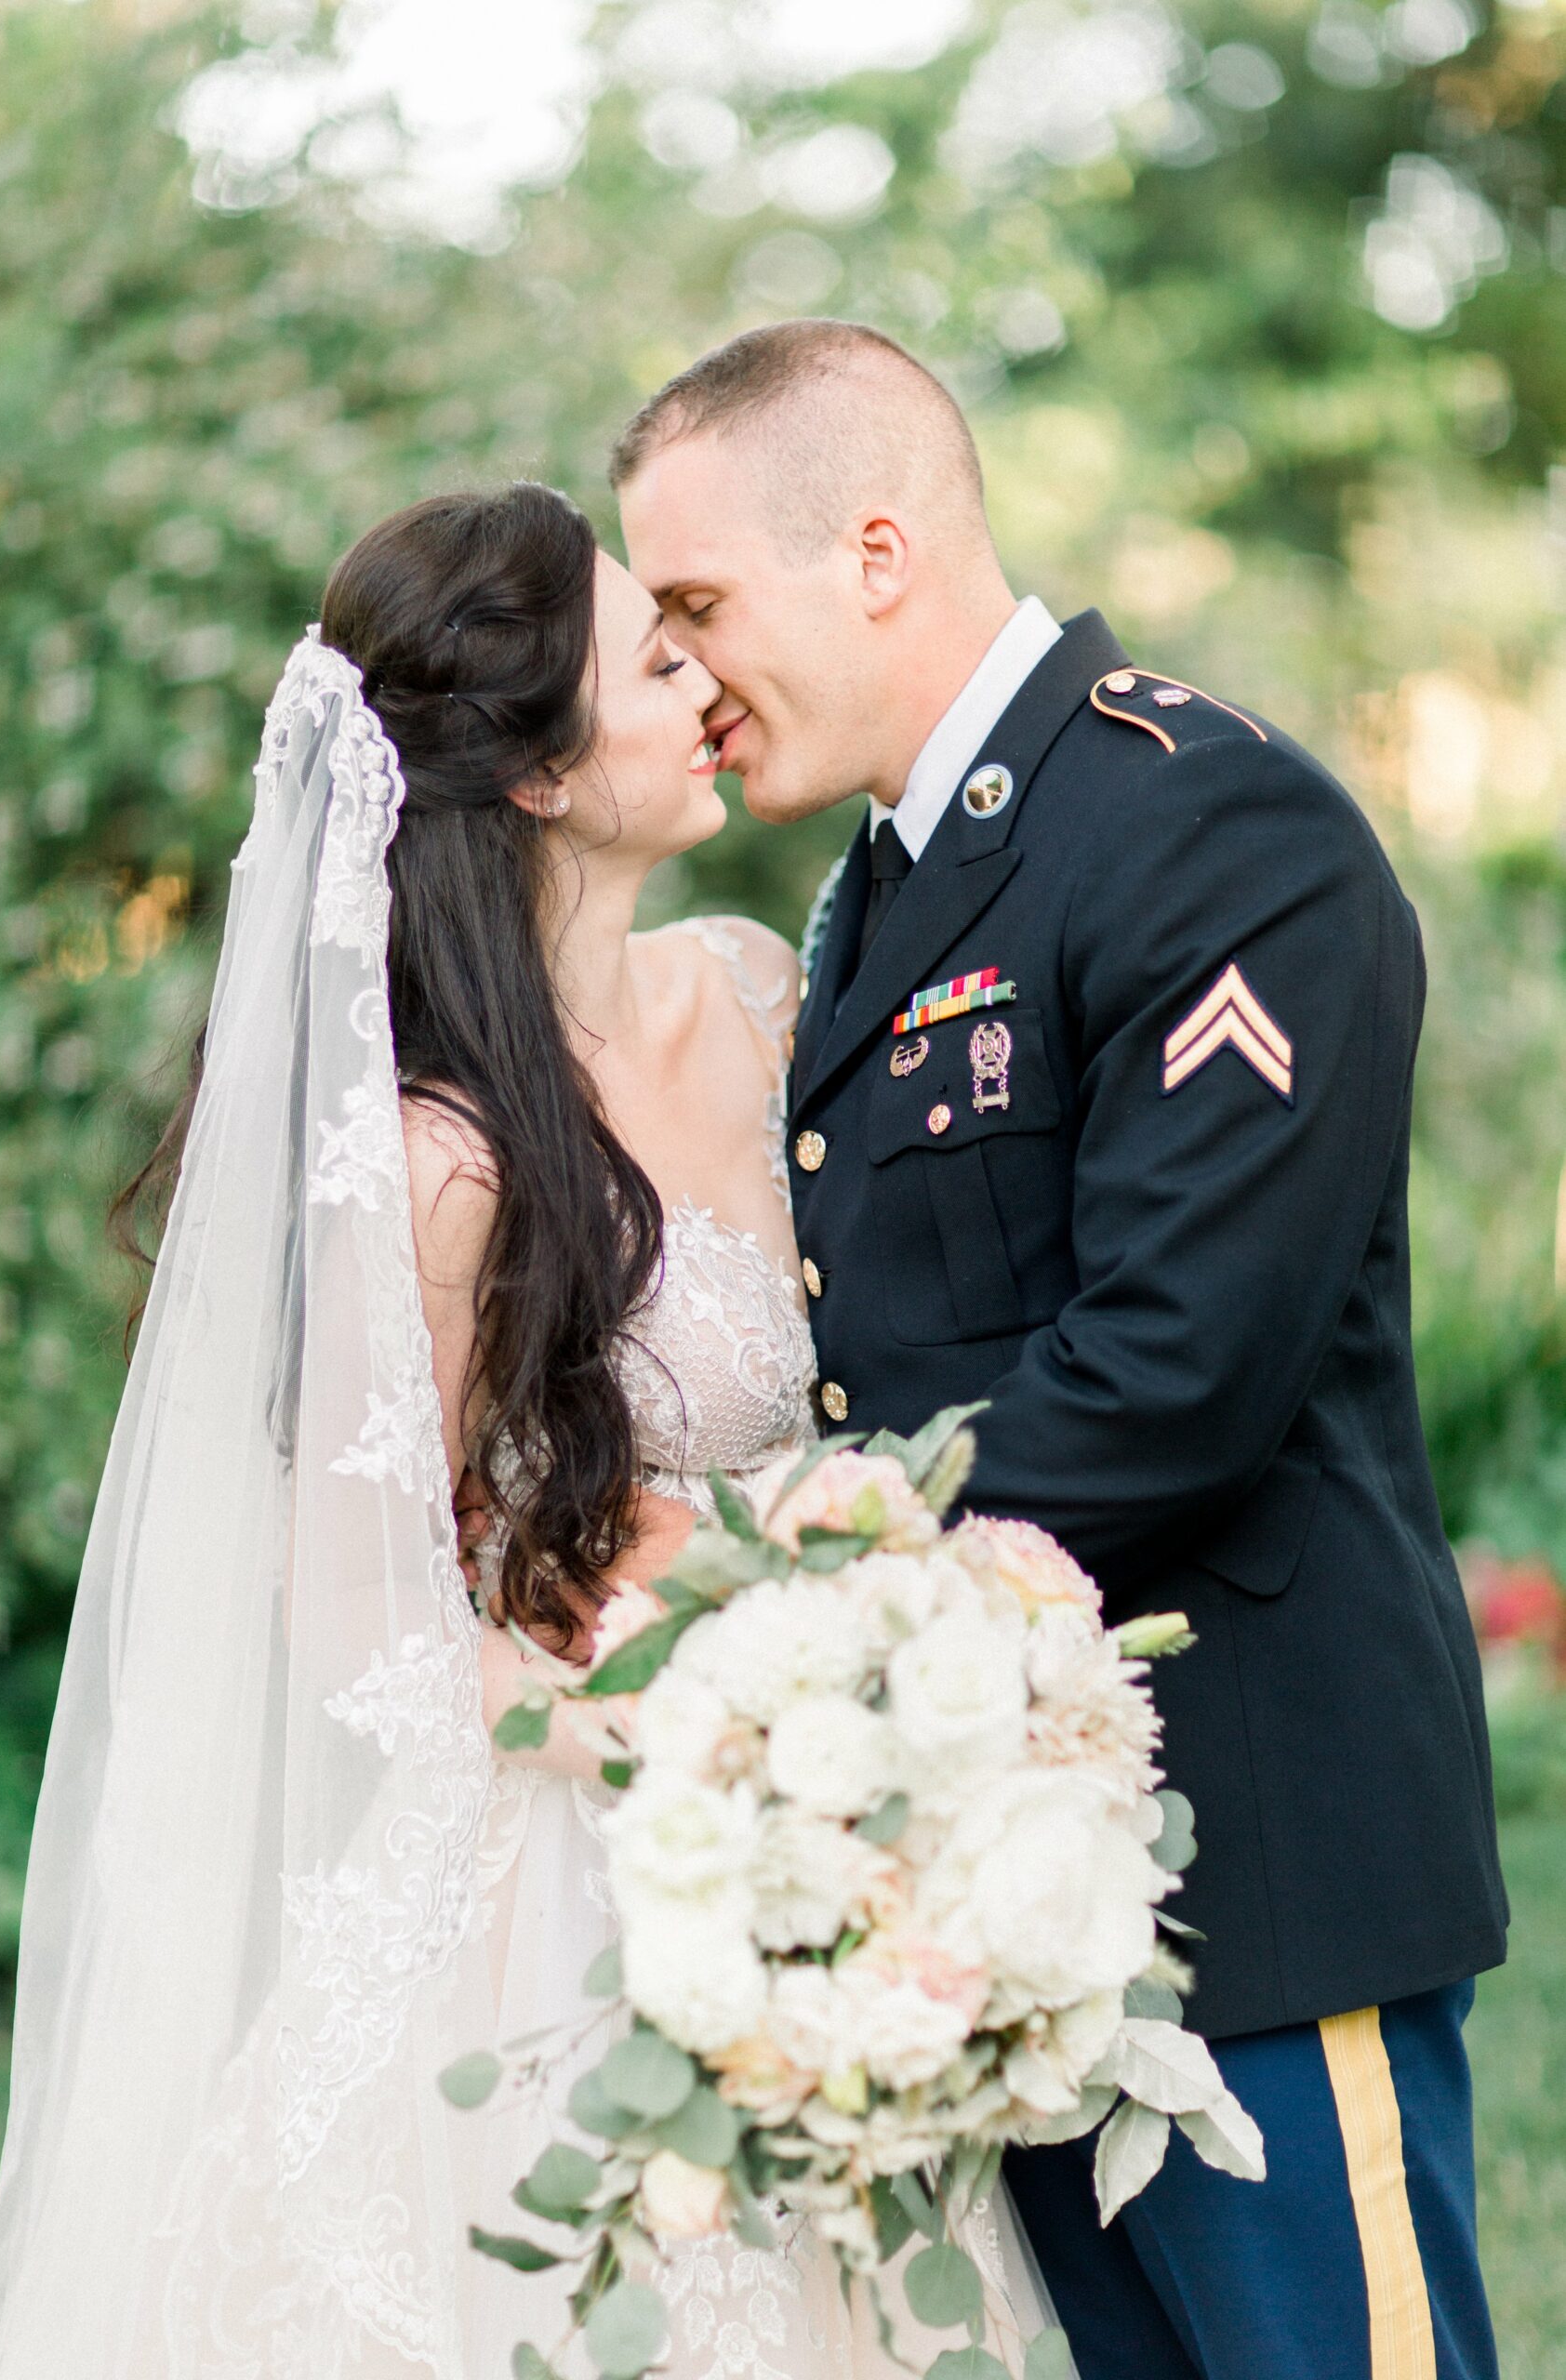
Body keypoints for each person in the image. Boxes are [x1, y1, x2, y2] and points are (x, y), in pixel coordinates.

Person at [0, 483, 1058, 2374]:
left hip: (806, 1838)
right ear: (541, 776)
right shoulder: (437, 1158)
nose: (711, 681)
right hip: (558, 1891)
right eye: (656, 659)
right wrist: (694, 1735)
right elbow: (359, 1627)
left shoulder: (750, 985)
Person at [614, 318, 1508, 2380]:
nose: (678, 670)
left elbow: (1175, 1370)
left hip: (1257, 1874)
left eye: (693, 605)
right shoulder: (877, 891)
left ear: (871, 548)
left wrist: (784, 1584)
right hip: (996, 1903)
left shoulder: (1208, 829)